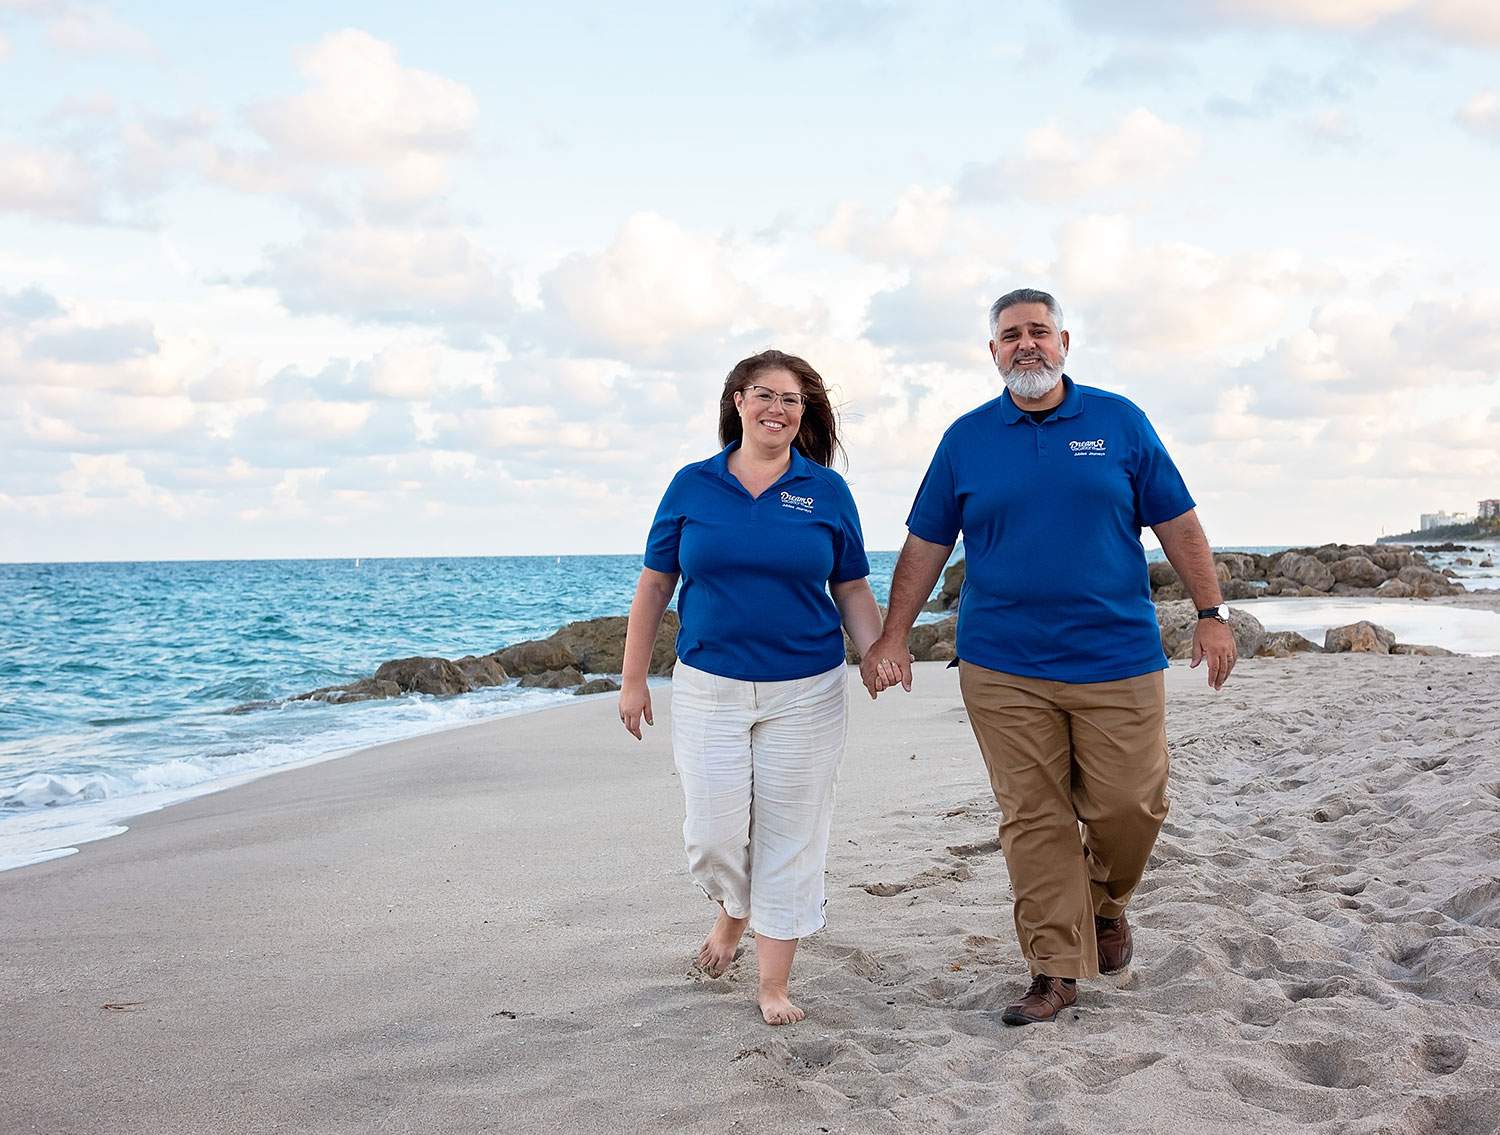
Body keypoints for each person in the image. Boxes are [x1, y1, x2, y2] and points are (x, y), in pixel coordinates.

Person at [860, 288, 1237, 1026]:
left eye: (1039, 331)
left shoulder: (1119, 422)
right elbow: (926, 545)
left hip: (1117, 655)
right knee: (1034, 818)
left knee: (1132, 804)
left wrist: (1211, 614)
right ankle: (1054, 970)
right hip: (1002, 664)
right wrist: (893, 635)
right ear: (992, 352)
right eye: (1011, 335)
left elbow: (1177, 524)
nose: (1025, 344)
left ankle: (1103, 904)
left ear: (1065, 342)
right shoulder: (967, 439)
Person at [619, 349, 895, 1026]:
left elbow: (851, 583)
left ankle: (773, 984)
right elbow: (656, 584)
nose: (777, 409)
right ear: (737, 400)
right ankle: (733, 909)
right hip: (709, 685)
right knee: (713, 831)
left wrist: (879, 649)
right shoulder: (692, 485)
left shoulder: (825, 491)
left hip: (806, 690)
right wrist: (632, 678)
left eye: (791, 400)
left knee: (790, 835)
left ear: (804, 415)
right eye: (765, 395)